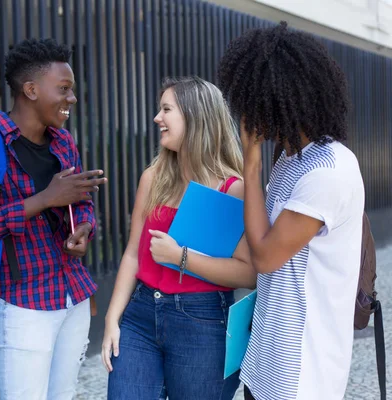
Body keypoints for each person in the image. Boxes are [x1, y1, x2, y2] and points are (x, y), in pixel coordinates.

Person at [217, 21, 365, 400]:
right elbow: (258, 237)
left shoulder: (328, 170)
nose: (247, 118)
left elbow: (265, 257)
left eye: (253, 105)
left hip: (302, 375)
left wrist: (250, 165)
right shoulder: (291, 159)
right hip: (266, 361)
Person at [0, 38, 106, 400]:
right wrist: (42, 200)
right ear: (31, 89)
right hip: (23, 302)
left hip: (73, 296)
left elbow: (80, 203)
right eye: (64, 89)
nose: (72, 99)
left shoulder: (63, 142)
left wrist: (83, 228)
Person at [102, 76, 256, 400]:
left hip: (202, 321)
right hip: (140, 316)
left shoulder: (232, 187)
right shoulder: (153, 177)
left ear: (194, 116)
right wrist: (112, 317)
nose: (158, 118)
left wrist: (179, 257)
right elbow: (132, 254)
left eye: (166, 110)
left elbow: (248, 272)